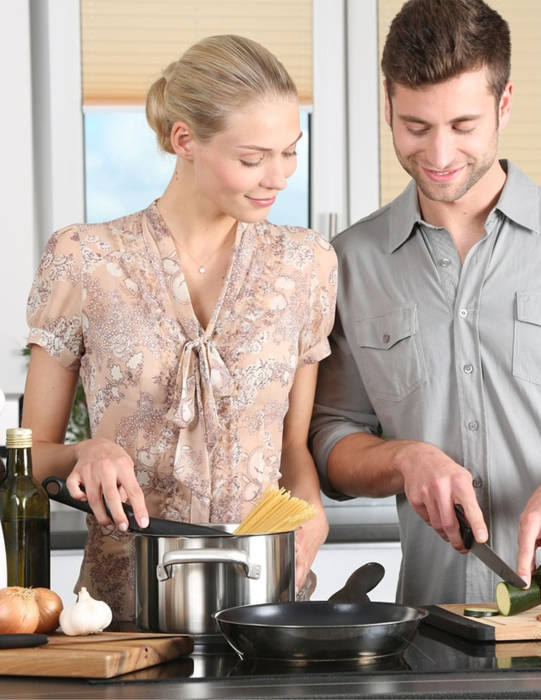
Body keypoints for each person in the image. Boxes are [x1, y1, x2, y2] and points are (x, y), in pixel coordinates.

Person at [310, 0, 541, 607]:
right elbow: (332, 438)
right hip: (432, 629)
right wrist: (405, 458)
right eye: (415, 126)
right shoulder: (350, 260)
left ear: (504, 104)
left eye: (462, 126)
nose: (437, 155)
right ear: (387, 106)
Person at [23, 35, 337, 621]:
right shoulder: (85, 259)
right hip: (121, 612)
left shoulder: (308, 264)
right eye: (252, 158)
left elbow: (293, 446)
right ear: (184, 139)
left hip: (264, 603)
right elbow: (25, 462)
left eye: (290, 152)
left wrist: (311, 508)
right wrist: (85, 452)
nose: (278, 177)